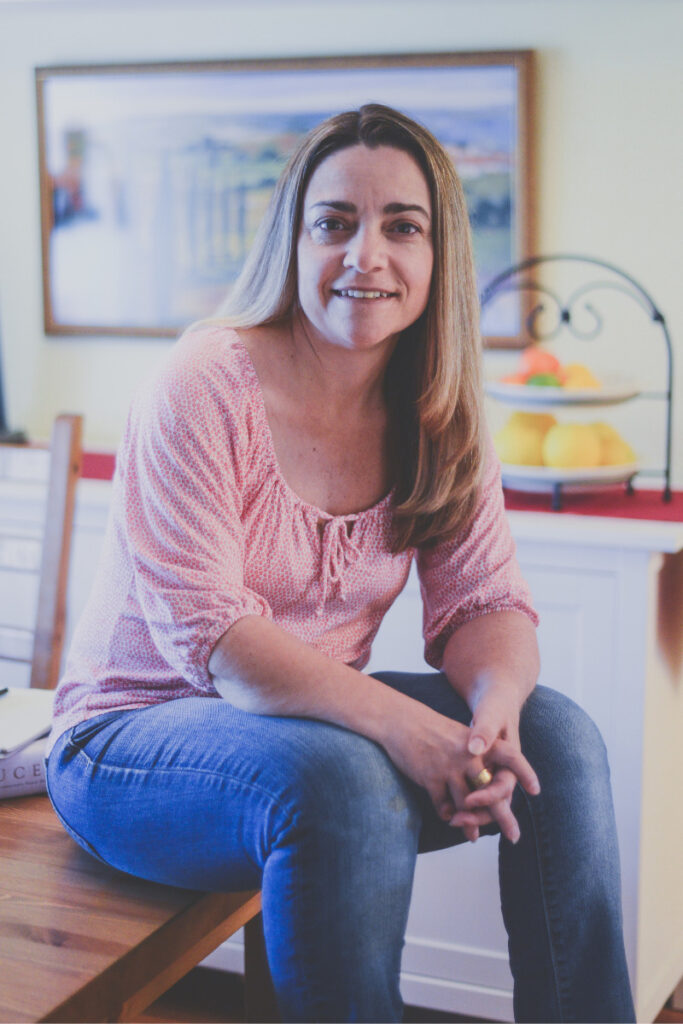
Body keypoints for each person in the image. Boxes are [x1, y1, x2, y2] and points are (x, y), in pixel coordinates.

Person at [45, 104, 635, 1024]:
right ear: (292, 238)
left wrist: (492, 718)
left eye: (402, 225)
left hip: (307, 735)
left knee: (558, 743)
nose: (366, 256)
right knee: (344, 781)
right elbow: (220, 641)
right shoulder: (201, 384)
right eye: (334, 223)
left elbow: (486, 600)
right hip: (129, 743)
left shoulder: (439, 410)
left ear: (439, 254)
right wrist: (407, 729)